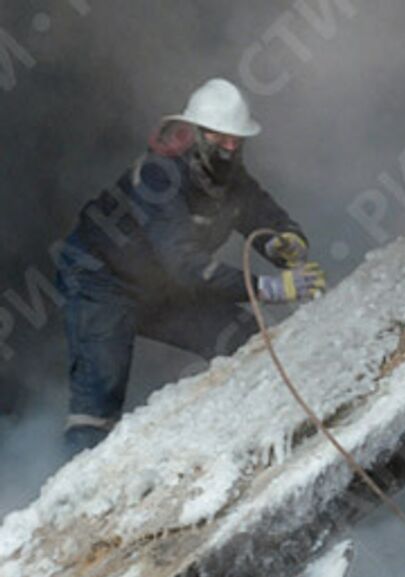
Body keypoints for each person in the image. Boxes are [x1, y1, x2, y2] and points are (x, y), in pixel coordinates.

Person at [57, 78, 326, 455]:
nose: (230, 150)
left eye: (237, 141)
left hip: (163, 286)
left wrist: (284, 241)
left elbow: (260, 213)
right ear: (195, 134)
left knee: (242, 336)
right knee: (98, 403)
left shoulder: (231, 180)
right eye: (220, 140)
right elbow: (185, 266)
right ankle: (77, 504)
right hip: (102, 282)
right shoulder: (157, 176)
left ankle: (258, 441)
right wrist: (269, 288)